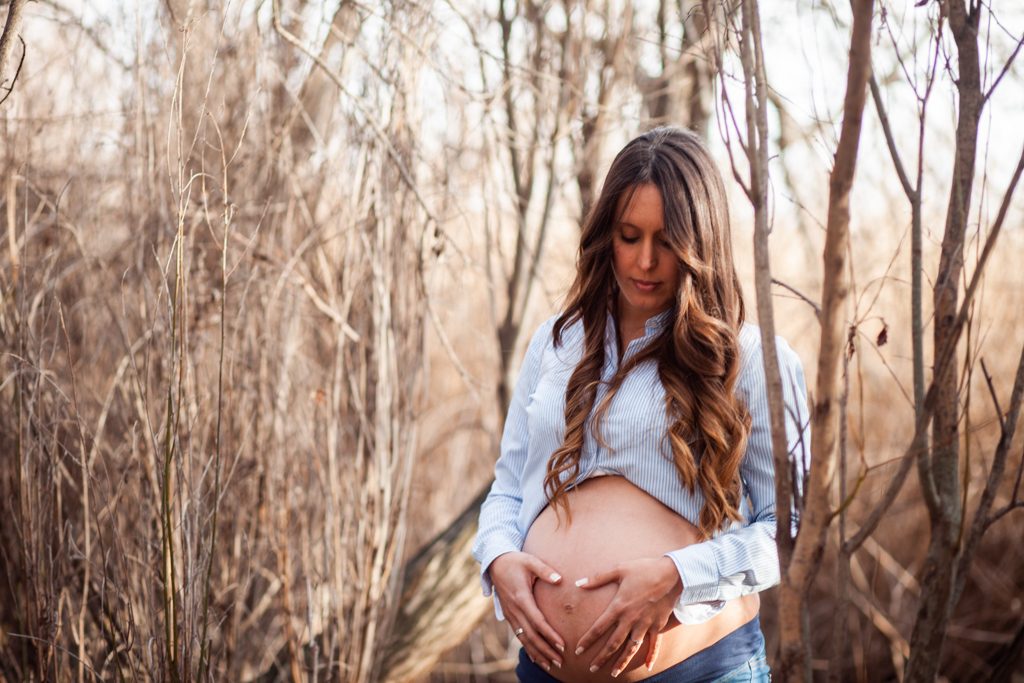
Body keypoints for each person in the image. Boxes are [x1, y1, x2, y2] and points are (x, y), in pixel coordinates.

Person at [472, 127, 811, 682]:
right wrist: (498, 559)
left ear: (700, 243)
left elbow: (791, 529)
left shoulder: (751, 359)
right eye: (630, 236)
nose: (646, 261)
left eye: (667, 241)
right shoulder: (555, 343)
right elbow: (509, 486)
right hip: (543, 670)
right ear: (607, 234)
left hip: (701, 671)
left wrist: (677, 576)